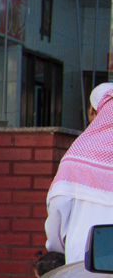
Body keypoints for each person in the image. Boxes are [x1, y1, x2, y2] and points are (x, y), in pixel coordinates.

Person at [46, 84, 113, 264]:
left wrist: (57, 248)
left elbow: (58, 207)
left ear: (92, 111)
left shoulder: (76, 156)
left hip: (82, 264)